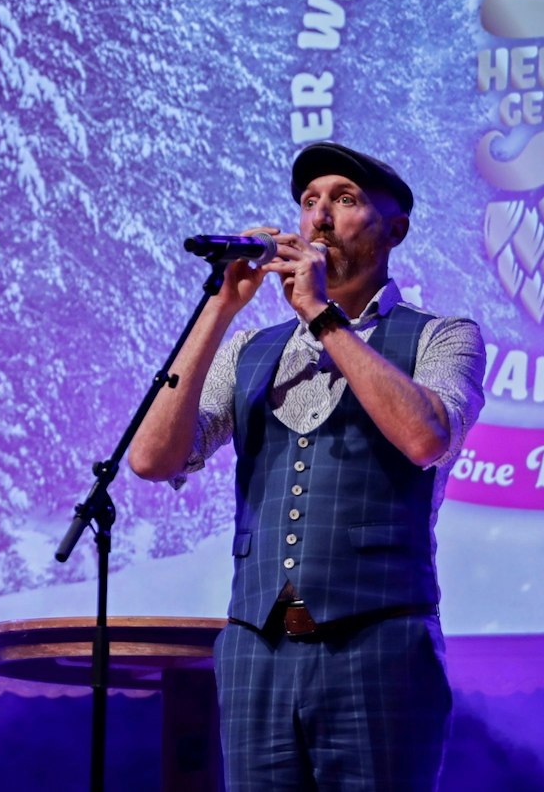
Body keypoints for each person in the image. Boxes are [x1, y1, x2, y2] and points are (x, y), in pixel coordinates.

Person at [128, 142, 485, 791]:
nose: (318, 217)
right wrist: (221, 309)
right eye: (309, 201)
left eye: (344, 200)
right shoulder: (251, 351)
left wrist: (322, 314)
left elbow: (426, 437)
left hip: (379, 644)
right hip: (256, 651)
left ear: (395, 228)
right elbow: (152, 457)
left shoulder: (441, 336)